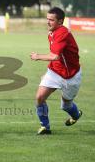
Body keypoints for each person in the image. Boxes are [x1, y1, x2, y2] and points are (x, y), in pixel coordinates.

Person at [30, 7, 82, 135]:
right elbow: (57, 57)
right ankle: (45, 127)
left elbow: (54, 56)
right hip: (55, 72)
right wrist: (48, 72)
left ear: (60, 21)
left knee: (66, 106)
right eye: (47, 19)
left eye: (51, 20)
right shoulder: (51, 33)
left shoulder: (62, 33)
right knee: (39, 97)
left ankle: (76, 115)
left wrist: (37, 57)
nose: (48, 22)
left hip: (71, 76)